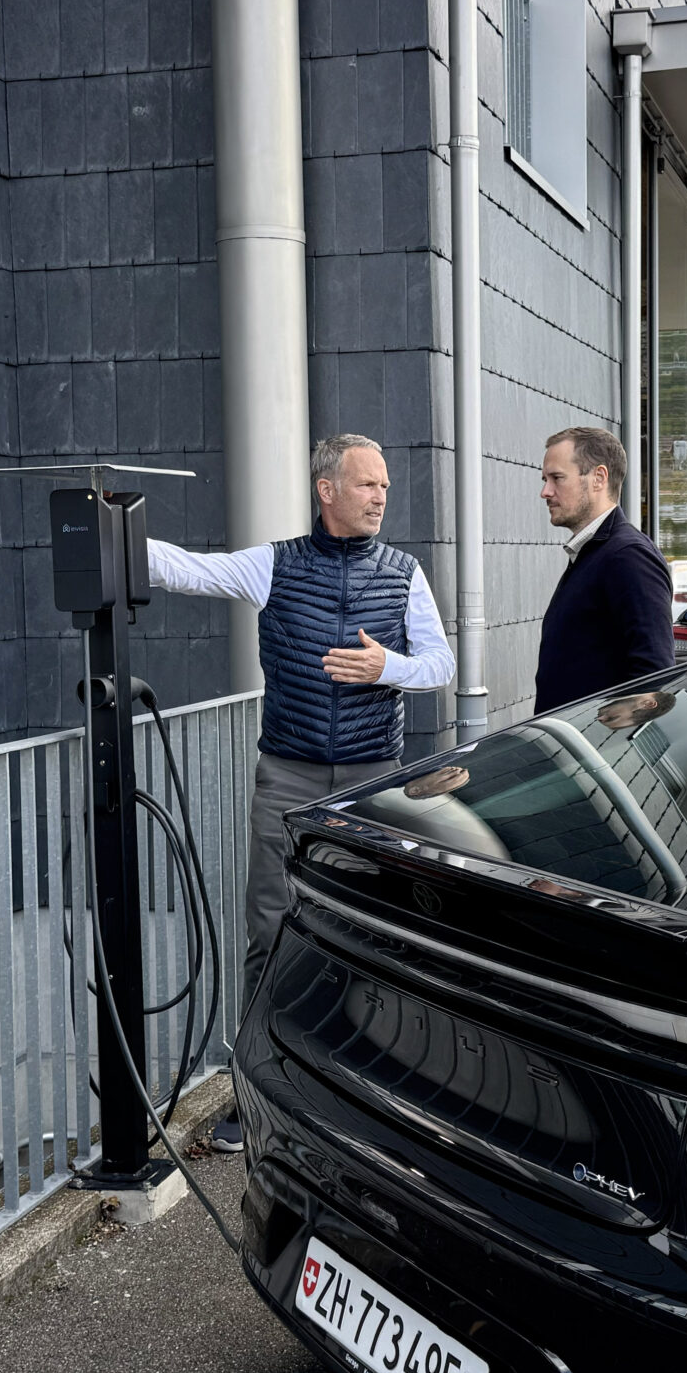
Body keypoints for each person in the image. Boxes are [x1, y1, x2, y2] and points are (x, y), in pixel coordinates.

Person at [144, 434, 455, 1151]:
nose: (382, 496)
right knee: (271, 931)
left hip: (375, 787)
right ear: (327, 488)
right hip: (288, 777)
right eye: (368, 484)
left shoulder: (404, 572)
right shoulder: (275, 564)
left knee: (370, 935)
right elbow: (194, 571)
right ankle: (257, 1091)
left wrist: (387, 667)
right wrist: (118, 534)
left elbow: (440, 664)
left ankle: (361, 1094)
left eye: (384, 486)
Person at [531, 425, 675, 713]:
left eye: (557, 478)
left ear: (598, 478)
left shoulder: (628, 556)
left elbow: (654, 675)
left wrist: (604, 742)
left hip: (596, 751)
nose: (545, 492)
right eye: (545, 479)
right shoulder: (596, 553)